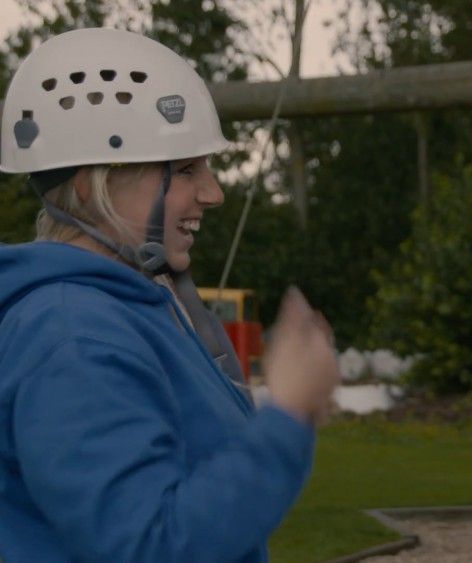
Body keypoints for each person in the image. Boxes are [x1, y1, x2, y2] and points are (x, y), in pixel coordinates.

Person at [0, 28, 338, 561]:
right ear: (94, 185)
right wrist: (289, 414)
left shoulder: (124, 310)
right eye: (185, 170)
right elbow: (151, 545)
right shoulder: (73, 336)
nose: (213, 192)